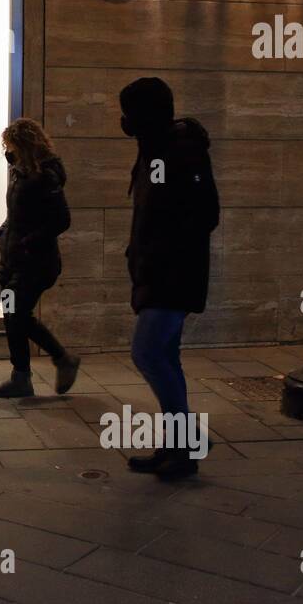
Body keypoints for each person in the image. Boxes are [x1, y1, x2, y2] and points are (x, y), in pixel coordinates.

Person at [118, 77, 219, 480]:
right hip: (158, 271)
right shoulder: (155, 147)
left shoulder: (180, 150)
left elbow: (204, 214)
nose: (123, 120)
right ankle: (180, 446)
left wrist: (160, 250)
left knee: (147, 352)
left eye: (129, 111)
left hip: (173, 274)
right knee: (165, 355)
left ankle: (187, 439)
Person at [0, 117, 81, 398]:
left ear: (24, 145)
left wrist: (29, 240)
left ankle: (54, 361)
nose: (8, 150)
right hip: (14, 259)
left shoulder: (45, 176)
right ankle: (24, 375)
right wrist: (6, 229)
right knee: (12, 313)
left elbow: (62, 220)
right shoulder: (21, 171)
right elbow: (20, 211)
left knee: (16, 312)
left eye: (11, 145)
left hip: (35, 263)